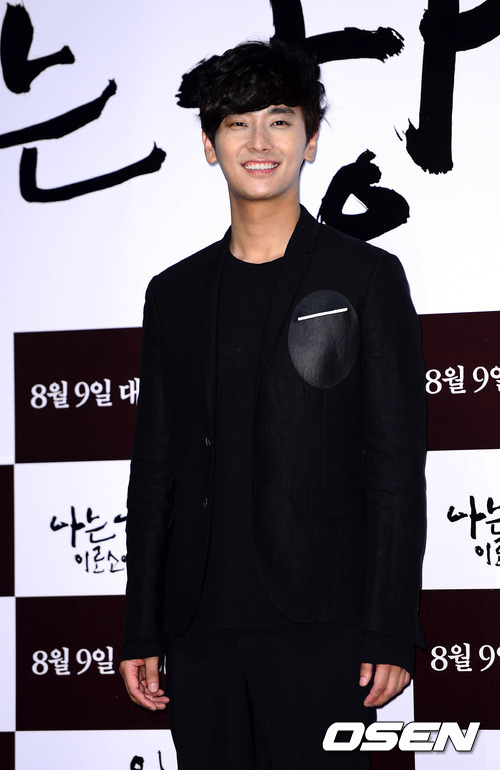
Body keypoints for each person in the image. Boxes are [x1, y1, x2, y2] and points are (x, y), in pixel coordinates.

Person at [120, 39, 427, 770]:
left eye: (280, 120)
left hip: (323, 624)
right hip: (197, 629)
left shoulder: (367, 277)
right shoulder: (174, 293)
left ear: (310, 141)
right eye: (238, 123)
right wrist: (141, 626)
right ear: (209, 145)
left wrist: (389, 628)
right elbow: (154, 470)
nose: (259, 142)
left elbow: (394, 466)